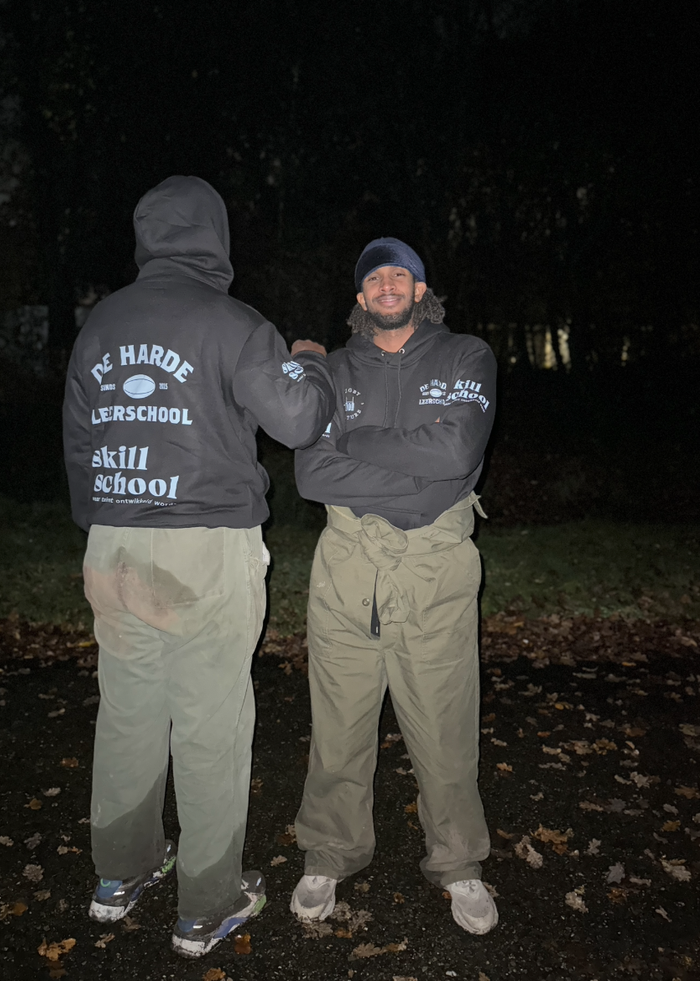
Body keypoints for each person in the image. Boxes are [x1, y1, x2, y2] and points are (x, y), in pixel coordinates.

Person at [62, 175, 335, 958]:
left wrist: (104, 517)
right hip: (202, 547)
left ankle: (120, 872)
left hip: (112, 543)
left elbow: (78, 437)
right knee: (212, 722)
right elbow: (299, 418)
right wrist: (308, 362)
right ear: (215, 238)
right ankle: (208, 903)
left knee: (129, 712)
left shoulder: (100, 323)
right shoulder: (232, 322)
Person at [290, 237, 498, 935]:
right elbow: (311, 474)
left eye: (399, 274)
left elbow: (458, 450)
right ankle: (329, 848)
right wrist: (413, 466)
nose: (386, 283)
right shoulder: (333, 369)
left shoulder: (466, 354)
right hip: (348, 565)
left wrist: (355, 441)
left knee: (444, 725)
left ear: (420, 288)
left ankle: (460, 860)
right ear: (359, 297)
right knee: (339, 724)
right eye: (373, 276)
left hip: (436, 568)